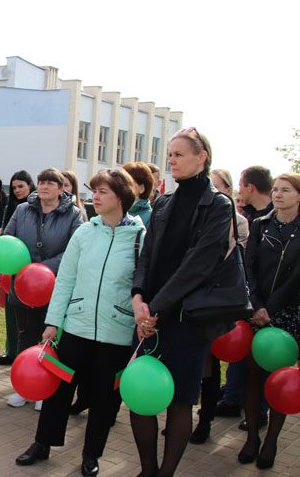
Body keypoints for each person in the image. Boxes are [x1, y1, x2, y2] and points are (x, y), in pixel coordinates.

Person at [16, 168, 144, 476]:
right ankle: (42, 444)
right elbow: (66, 280)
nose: (95, 198)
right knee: (58, 389)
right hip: (76, 326)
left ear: (122, 197)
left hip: (116, 332)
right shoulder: (85, 232)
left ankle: (91, 455)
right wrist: (53, 321)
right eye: (94, 191)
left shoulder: (140, 236)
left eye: (103, 193)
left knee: (104, 398)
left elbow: (142, 284)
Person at [130, 127, 233, 477]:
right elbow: (146, 257)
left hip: (188, 320)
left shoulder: (219, 206)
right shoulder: (164, 202)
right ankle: (147, 470)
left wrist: (155, 308)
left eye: (178, 154)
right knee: (140, 395)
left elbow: (198, 266)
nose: (170, 160)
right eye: (170, 153)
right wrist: (138, 298)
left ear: (201, 157)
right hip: (149, 315)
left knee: (179, 402)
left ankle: (166, 473)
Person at [4, 168, 84, 408]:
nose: (44, 186)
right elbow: (9, 239)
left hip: (56, 286)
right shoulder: (22, 210)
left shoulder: (74, 214)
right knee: (25, 336)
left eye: (51, 183)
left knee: (50, 338)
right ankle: (23, 386)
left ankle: (44, 389)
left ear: (61, 189)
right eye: (41, 182)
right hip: (24, 286)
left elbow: (75, 250)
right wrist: (25, 269)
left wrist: (42, 268)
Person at [239, 173, 300, 469]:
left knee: (281, 381)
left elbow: (296, 278)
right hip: (256, 312)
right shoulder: (260, 224)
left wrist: (272, 309)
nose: (278, 194)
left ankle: (272, 440)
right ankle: (251, 436)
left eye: (285, 190)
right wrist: (257, 306)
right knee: (253, 376)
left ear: (298, 195)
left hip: (287, 313)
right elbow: (248, 268)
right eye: (275, 189)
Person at [188, 168, 253, 444]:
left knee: (211, 365)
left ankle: (205, 420)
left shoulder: (237, 222)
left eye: (215, 187)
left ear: (227, 190)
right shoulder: (190, 216)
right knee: (192, 363)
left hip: (214, 301)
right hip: (188, 299)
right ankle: (180, 414)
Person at [216, 166, 273, 425]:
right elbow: (247, 264)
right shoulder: (253, 218)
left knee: (264, 359)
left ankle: (260, 410)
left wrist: (265, 304)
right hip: (249, 297)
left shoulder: (271, 220)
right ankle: (233, 399)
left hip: (273, 303)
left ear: (250, 187)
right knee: (240, 350)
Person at [0, 171, 33, 366]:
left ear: (30, 186)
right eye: (15, 187)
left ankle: (25, 354)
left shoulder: (35, 209)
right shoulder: (10, 208)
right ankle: (11, 350)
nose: (18, 190)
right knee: (11, 312)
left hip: (32, 268)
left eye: (21, 186)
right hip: (11, 268)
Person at [122, 162, 155, 226]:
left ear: (142, 188)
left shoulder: (151, 218)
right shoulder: (111, 210)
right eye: (121, 182)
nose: (123, 187)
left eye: (129, 183)